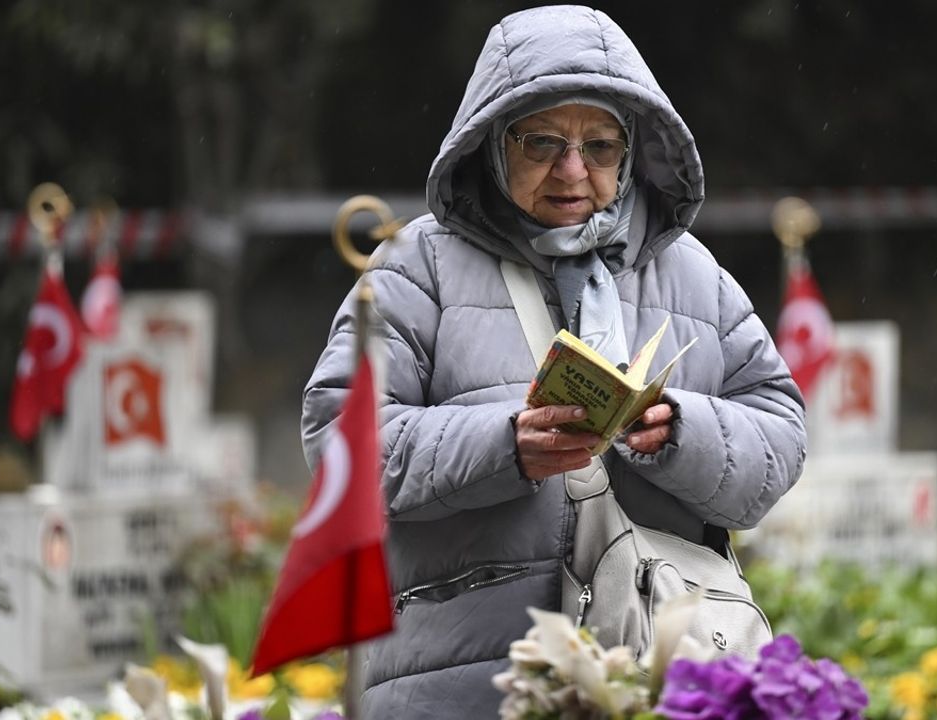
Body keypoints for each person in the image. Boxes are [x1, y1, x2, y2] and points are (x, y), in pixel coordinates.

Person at [301, 6, 806, 717]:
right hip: (465, 683)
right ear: (491, 146)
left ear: (631, 153)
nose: (573, 172)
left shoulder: (691, 272)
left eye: (600, 147)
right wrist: (503, 444)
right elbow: (338, 443)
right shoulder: (418, 267)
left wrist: (681, 432)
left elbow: (780, 432)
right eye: (542, 144)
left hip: (659, 678)